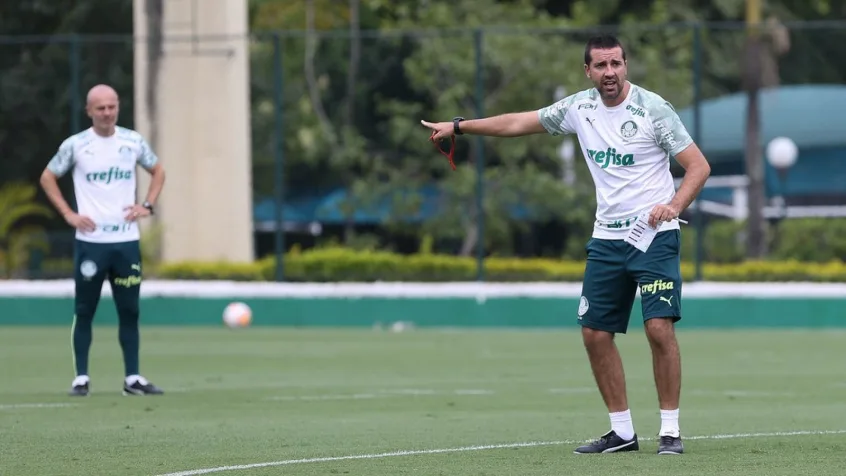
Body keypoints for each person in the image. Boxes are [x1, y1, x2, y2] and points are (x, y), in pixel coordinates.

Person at [421, 34, 710, 455]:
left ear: (625, 66)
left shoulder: (653, 109)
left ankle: (670, 431)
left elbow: (697, 166)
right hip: (608, 238)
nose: (609, 73)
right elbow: (519, 123)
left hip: (654, 237)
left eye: (616, 64)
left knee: (658, 328)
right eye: (600, 66)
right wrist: (460, 126)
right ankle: (622, 433)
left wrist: (674, 204)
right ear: (587, 71)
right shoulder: (580, 108)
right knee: (594, 333)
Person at [40, 84, 167, 397]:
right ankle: (81, 378)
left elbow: (158, 170)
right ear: (89, 111)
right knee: (85, 310)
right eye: (101, 108)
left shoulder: (132, 141)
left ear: (118, 107)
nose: (107, 113)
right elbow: (47, 177)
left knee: (130, 311)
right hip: (91, 242)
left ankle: (132, 379)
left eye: (112, 107)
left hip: (126, 242)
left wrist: (147, 205)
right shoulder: (77, 145)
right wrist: (69, 214)